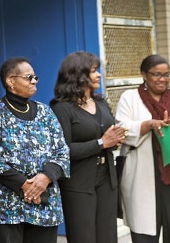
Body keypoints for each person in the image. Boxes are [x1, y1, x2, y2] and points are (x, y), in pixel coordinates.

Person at [0, 57, 69, 243]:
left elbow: (61, 151)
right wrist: (25, 185)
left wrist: (44, 178)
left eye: (35, 77)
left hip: (43, 202)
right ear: (10, 81)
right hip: (5, 206)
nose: (34, 81)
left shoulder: (45, 112)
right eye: (28, 77)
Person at [115, 54, 170, 243]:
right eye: (156, 74)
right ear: (144, 75)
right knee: (144, 234)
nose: (162, 79)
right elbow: (121, 130)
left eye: (167, 74)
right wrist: (150, 124)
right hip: (143, 176)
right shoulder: (130, 98)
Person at [50, 51, 126, 243]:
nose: (99, 74)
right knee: (83, 237)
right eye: (93, 71)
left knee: (108, 237)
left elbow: (110, 131)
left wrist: (118, 137)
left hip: (107, 180)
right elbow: (63, 151)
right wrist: (102, 143)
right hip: (78, 185)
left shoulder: (100, 102)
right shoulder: (61, 108)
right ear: (77, 75)